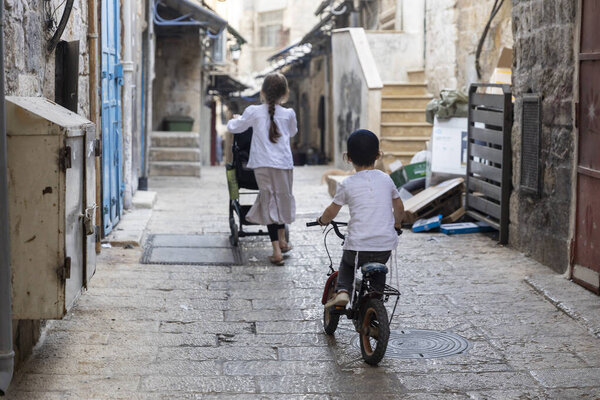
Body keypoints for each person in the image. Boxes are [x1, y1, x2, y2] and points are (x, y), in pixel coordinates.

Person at [316, 129, 404, 307]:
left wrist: (322, 221)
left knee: (347, 265)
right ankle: (376, 296)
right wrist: (397, 223)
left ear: (348, 158)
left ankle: (342, 291)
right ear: (378, 155)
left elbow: (332, 211)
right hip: (384, 245)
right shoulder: (386, 179)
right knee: (379, 269)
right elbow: (399, 206)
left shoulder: (347, 183)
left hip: (358, 247)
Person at [226, 73, 297, 265]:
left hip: (262, 165)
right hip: (283, 164)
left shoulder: (253, 111)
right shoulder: (289, 114)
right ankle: (282, 241)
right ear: (285, 93)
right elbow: (292, 132)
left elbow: (235, 128)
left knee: (269, 201)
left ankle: (277, 250)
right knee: (282, 199)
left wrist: (234, 119)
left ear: (263, 92)